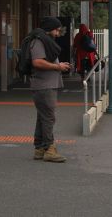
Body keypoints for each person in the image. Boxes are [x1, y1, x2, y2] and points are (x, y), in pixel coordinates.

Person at [28, 17, 70, 163]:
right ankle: (50, 150)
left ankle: (39, 148)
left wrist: (59, 64)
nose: (58, 34)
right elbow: (37, 62)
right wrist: (58, 67)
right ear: (50, 28)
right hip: (44, 86)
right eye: (57, 30)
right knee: (49, 118)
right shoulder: (38, 41)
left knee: (43, 117)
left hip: (46, 85)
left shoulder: (43, 40)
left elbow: (45, 60)